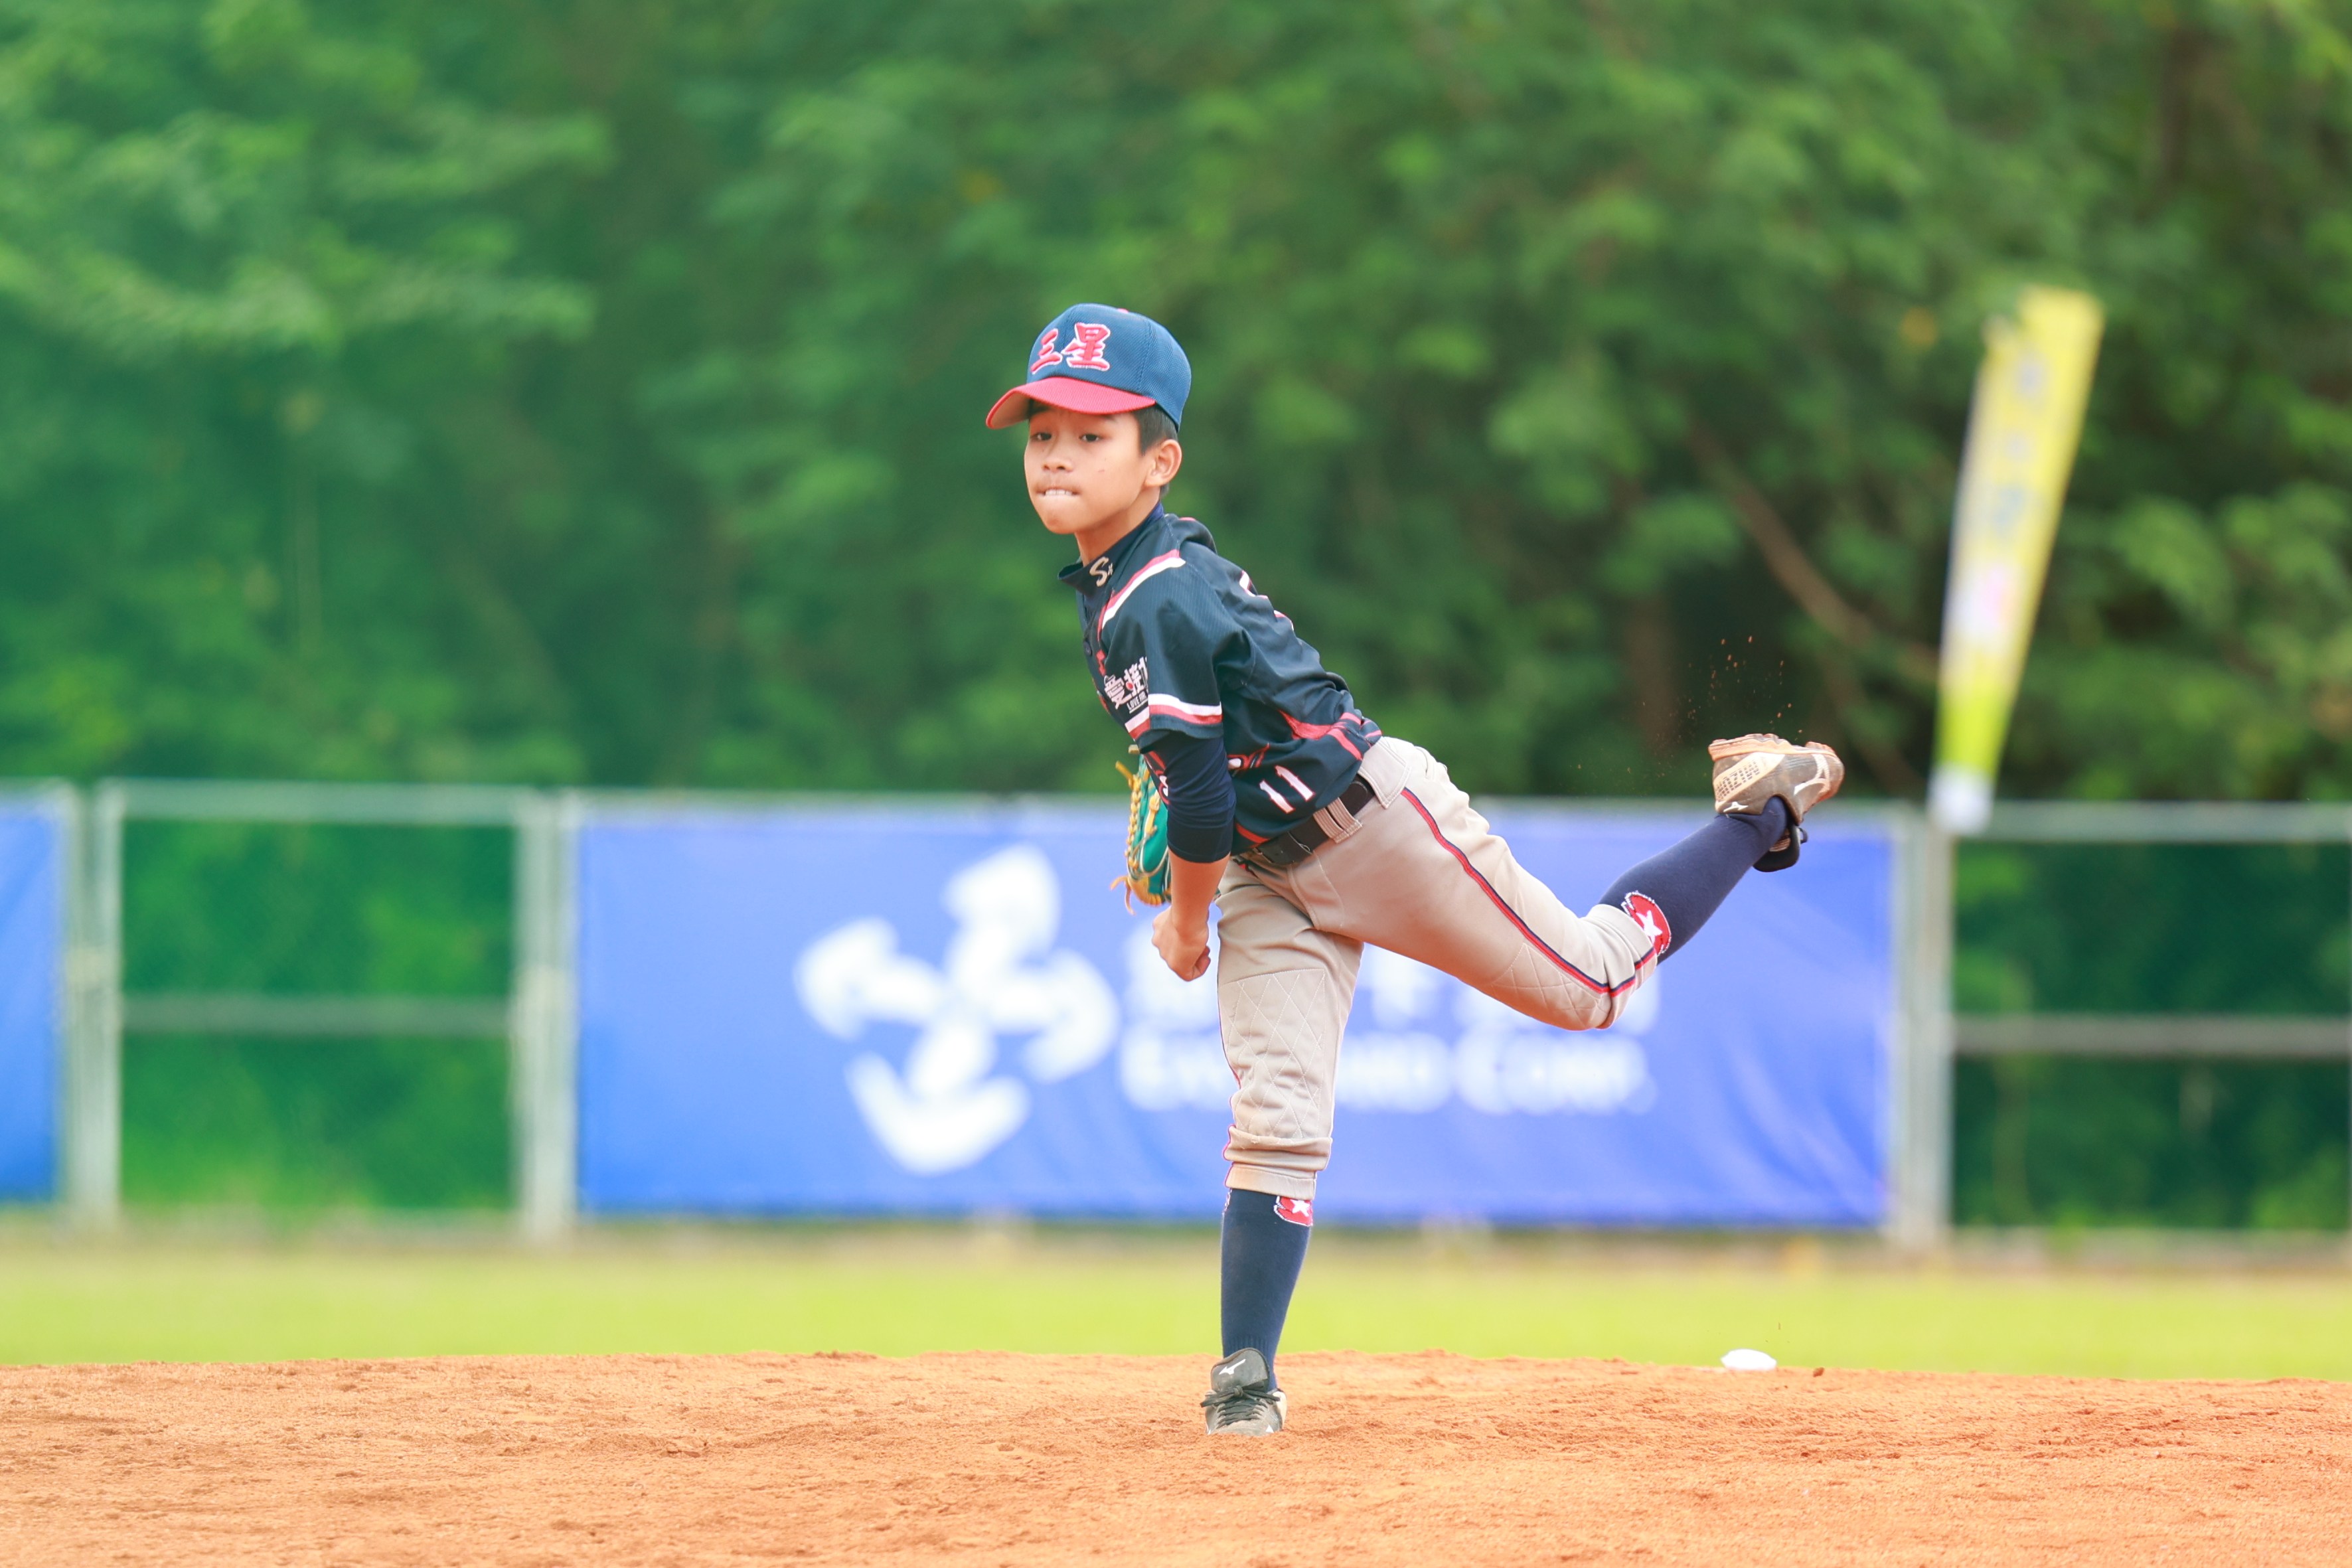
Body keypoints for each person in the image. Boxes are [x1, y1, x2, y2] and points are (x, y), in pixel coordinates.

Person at [985, 304, 1844, 1435]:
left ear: (1160, 462)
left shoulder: (1160, 593)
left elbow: (1196, 795)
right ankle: (1246, 1378)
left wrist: (1187, 924)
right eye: (1043, 429)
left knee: (1593, 984)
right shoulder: (1122, 579)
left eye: (1092, 433)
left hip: (1373, 826)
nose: (1056, 452)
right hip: (1265, 867)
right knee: (1278, 1111)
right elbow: (1204, 773)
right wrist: (1205, 840)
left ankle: (1758, 806)